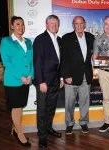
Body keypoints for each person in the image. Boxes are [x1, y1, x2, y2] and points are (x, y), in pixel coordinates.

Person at [0, 16, 33, 147]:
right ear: (12, 26)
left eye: (23, 25)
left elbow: (31, 61)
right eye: (18, 24)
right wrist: (21, 76)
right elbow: (7, 63)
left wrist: (31, 75)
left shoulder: (29, 42)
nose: (21, 27)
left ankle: (15, 128)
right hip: (13, 80)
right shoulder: (7, 41)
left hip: (26, 80)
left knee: (20, 106)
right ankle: (20, 134)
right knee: (16, 107)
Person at [33, 15, 64, 148]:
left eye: (56, 23)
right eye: (51, 23)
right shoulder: (40, 39)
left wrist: (61, 78)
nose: (54, 25)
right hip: (44, 83)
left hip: (56, 81)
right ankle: (42, 136)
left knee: (51, 109)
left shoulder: (60, 40)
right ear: (46, 25)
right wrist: (41, 82)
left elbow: (61, 62)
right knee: (42, 110)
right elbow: (37, 62)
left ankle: (49, 128)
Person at [61, 16, 95, 135]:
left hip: (86, 75)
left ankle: (84, 122)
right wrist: (66, 75)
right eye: (76, 23)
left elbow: (95, 55)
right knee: (69, 102)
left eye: (81, 23)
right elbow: (63, 59)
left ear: (85, 24)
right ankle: (69, 124)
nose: (79, 26)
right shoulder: (66, 38)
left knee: (85, 101)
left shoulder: (91, 37)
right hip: (70, 77)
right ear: (73, 25)